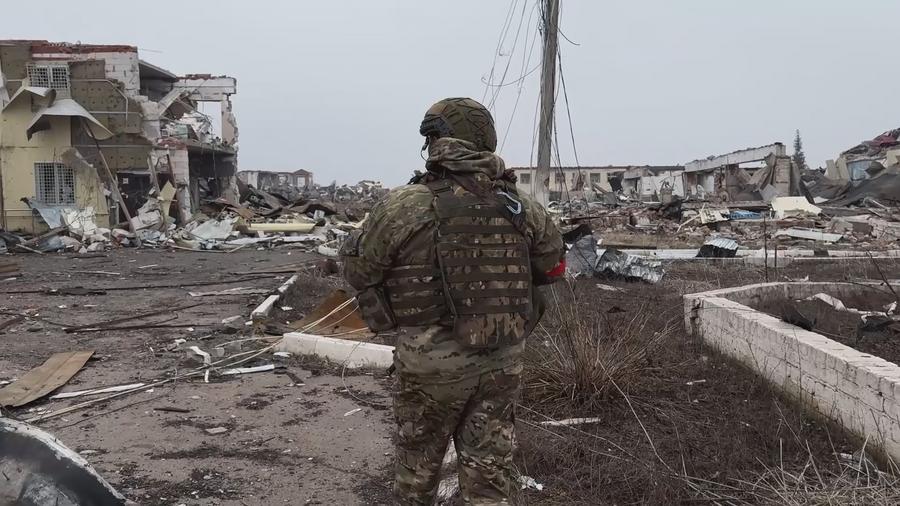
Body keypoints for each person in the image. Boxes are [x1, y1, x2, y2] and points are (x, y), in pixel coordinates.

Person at [341, 97, 565, 505]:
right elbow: (551, 269)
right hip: (501, 360)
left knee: (417, 475)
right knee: (491, 475)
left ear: (434, 140)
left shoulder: (405, 204)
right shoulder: (520, 206)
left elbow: (359, 272)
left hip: (430, 366)